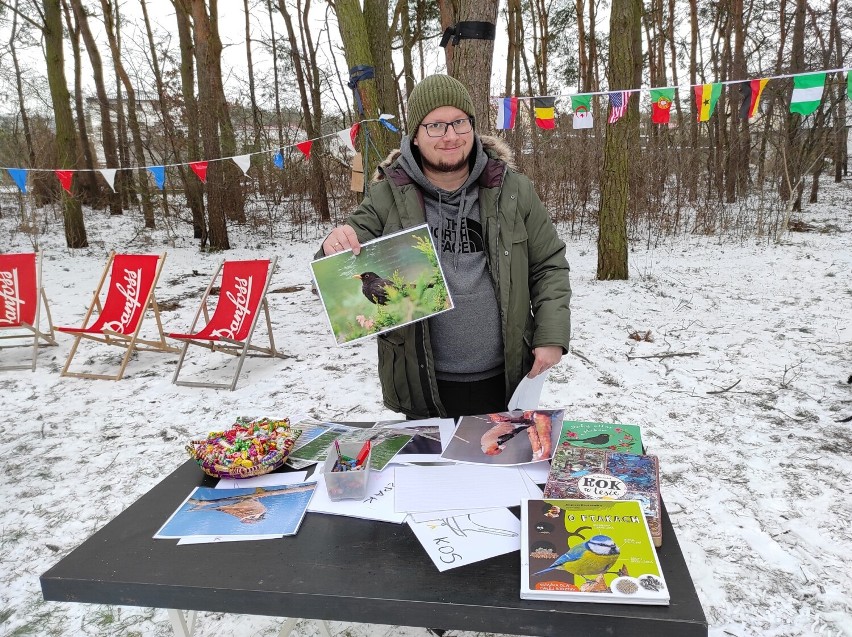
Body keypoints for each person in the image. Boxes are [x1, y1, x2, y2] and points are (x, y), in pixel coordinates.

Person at [320, 74, 571, 420]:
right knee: (430, 475)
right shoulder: (387, 195)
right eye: (435, 125)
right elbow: (337, 258)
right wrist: (333, 245)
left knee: (498, 468)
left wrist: (551, 334)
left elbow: (549, 265)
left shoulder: (512, 190)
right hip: (423, 382)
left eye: (459, 122)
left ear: (472, 126)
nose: (450, 135)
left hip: (506, 378)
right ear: (416, 136)